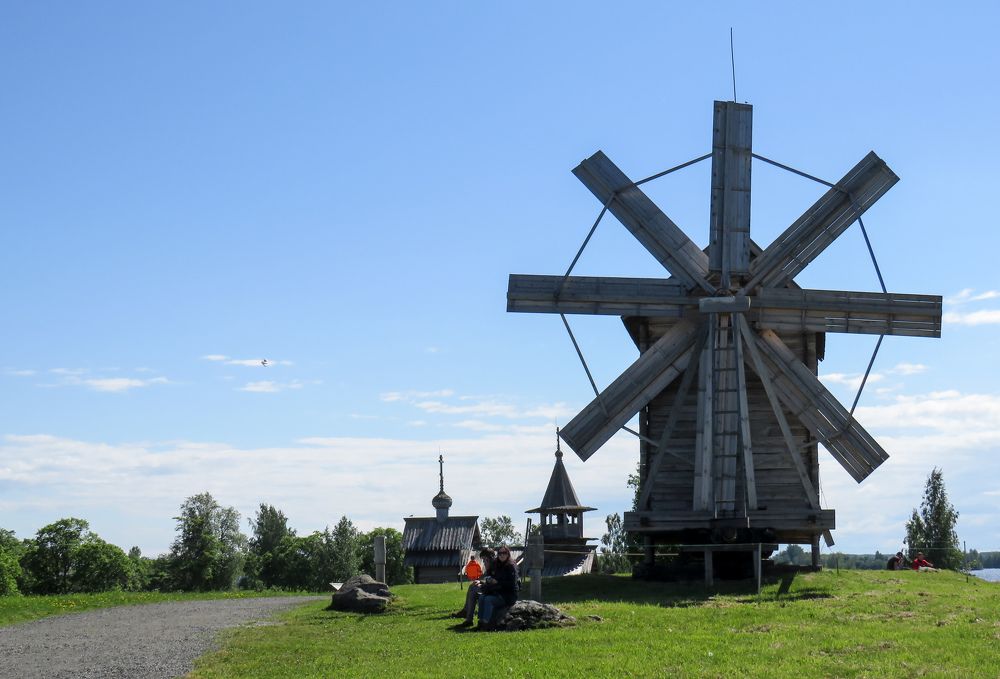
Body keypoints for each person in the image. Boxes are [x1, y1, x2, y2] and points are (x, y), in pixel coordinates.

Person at [477, 545, 518, 630]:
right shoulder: (497, 565)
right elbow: (491, 576)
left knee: (488, 600)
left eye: (504, 553)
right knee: (482, 597)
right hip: (498, 592)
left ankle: (486, 624)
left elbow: (512, 584)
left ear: (508, 554)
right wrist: (489, 580)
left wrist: (497, 582)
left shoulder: (511, 566)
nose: (502, 555)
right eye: (500, 553)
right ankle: (480, 622)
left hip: (508, 596)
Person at [454, 548, 495, 625]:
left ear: (490, 558)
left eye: (485, 560)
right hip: (489, 589)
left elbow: (495, 583)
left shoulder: (496, 568)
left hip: (494, 592)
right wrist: (481, 582)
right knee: (473, 587)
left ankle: (466, 613)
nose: (484, 562)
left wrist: (482, 585)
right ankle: (468, 619)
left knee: (473, 588)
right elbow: (489, 581)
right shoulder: (490, 568)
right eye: (483, 560)